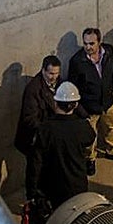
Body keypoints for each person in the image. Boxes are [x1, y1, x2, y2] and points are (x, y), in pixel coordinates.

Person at [67, 27, 113, 174]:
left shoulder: (109, 52)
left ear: (99, 42)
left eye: (92, 43)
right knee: (90, 137)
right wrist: (81, 109)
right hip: (89, 108)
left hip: (107, 102)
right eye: (85, 43)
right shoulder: (77, 61)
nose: (88, 47)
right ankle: (90, 159)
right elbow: (73, 87)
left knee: (111, 128)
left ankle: (111, 151)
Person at [36, 82, 96, 210]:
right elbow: (90, 138)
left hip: (53, 185)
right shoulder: (83, 127)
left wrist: (32, 192)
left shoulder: (45, 129)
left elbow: (36, 162)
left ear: (56, 102)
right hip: (77, 183)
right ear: (75, 104)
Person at [14, 55, 62, 200]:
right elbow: (29, 119)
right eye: (51, 73)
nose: (54, 77)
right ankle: (32, 199)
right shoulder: (33, 89)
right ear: (43, 71)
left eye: (56, 73)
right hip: (34, 139)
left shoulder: (60, 82)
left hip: (48, 135)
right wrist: (49, 130)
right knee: (35, 170)